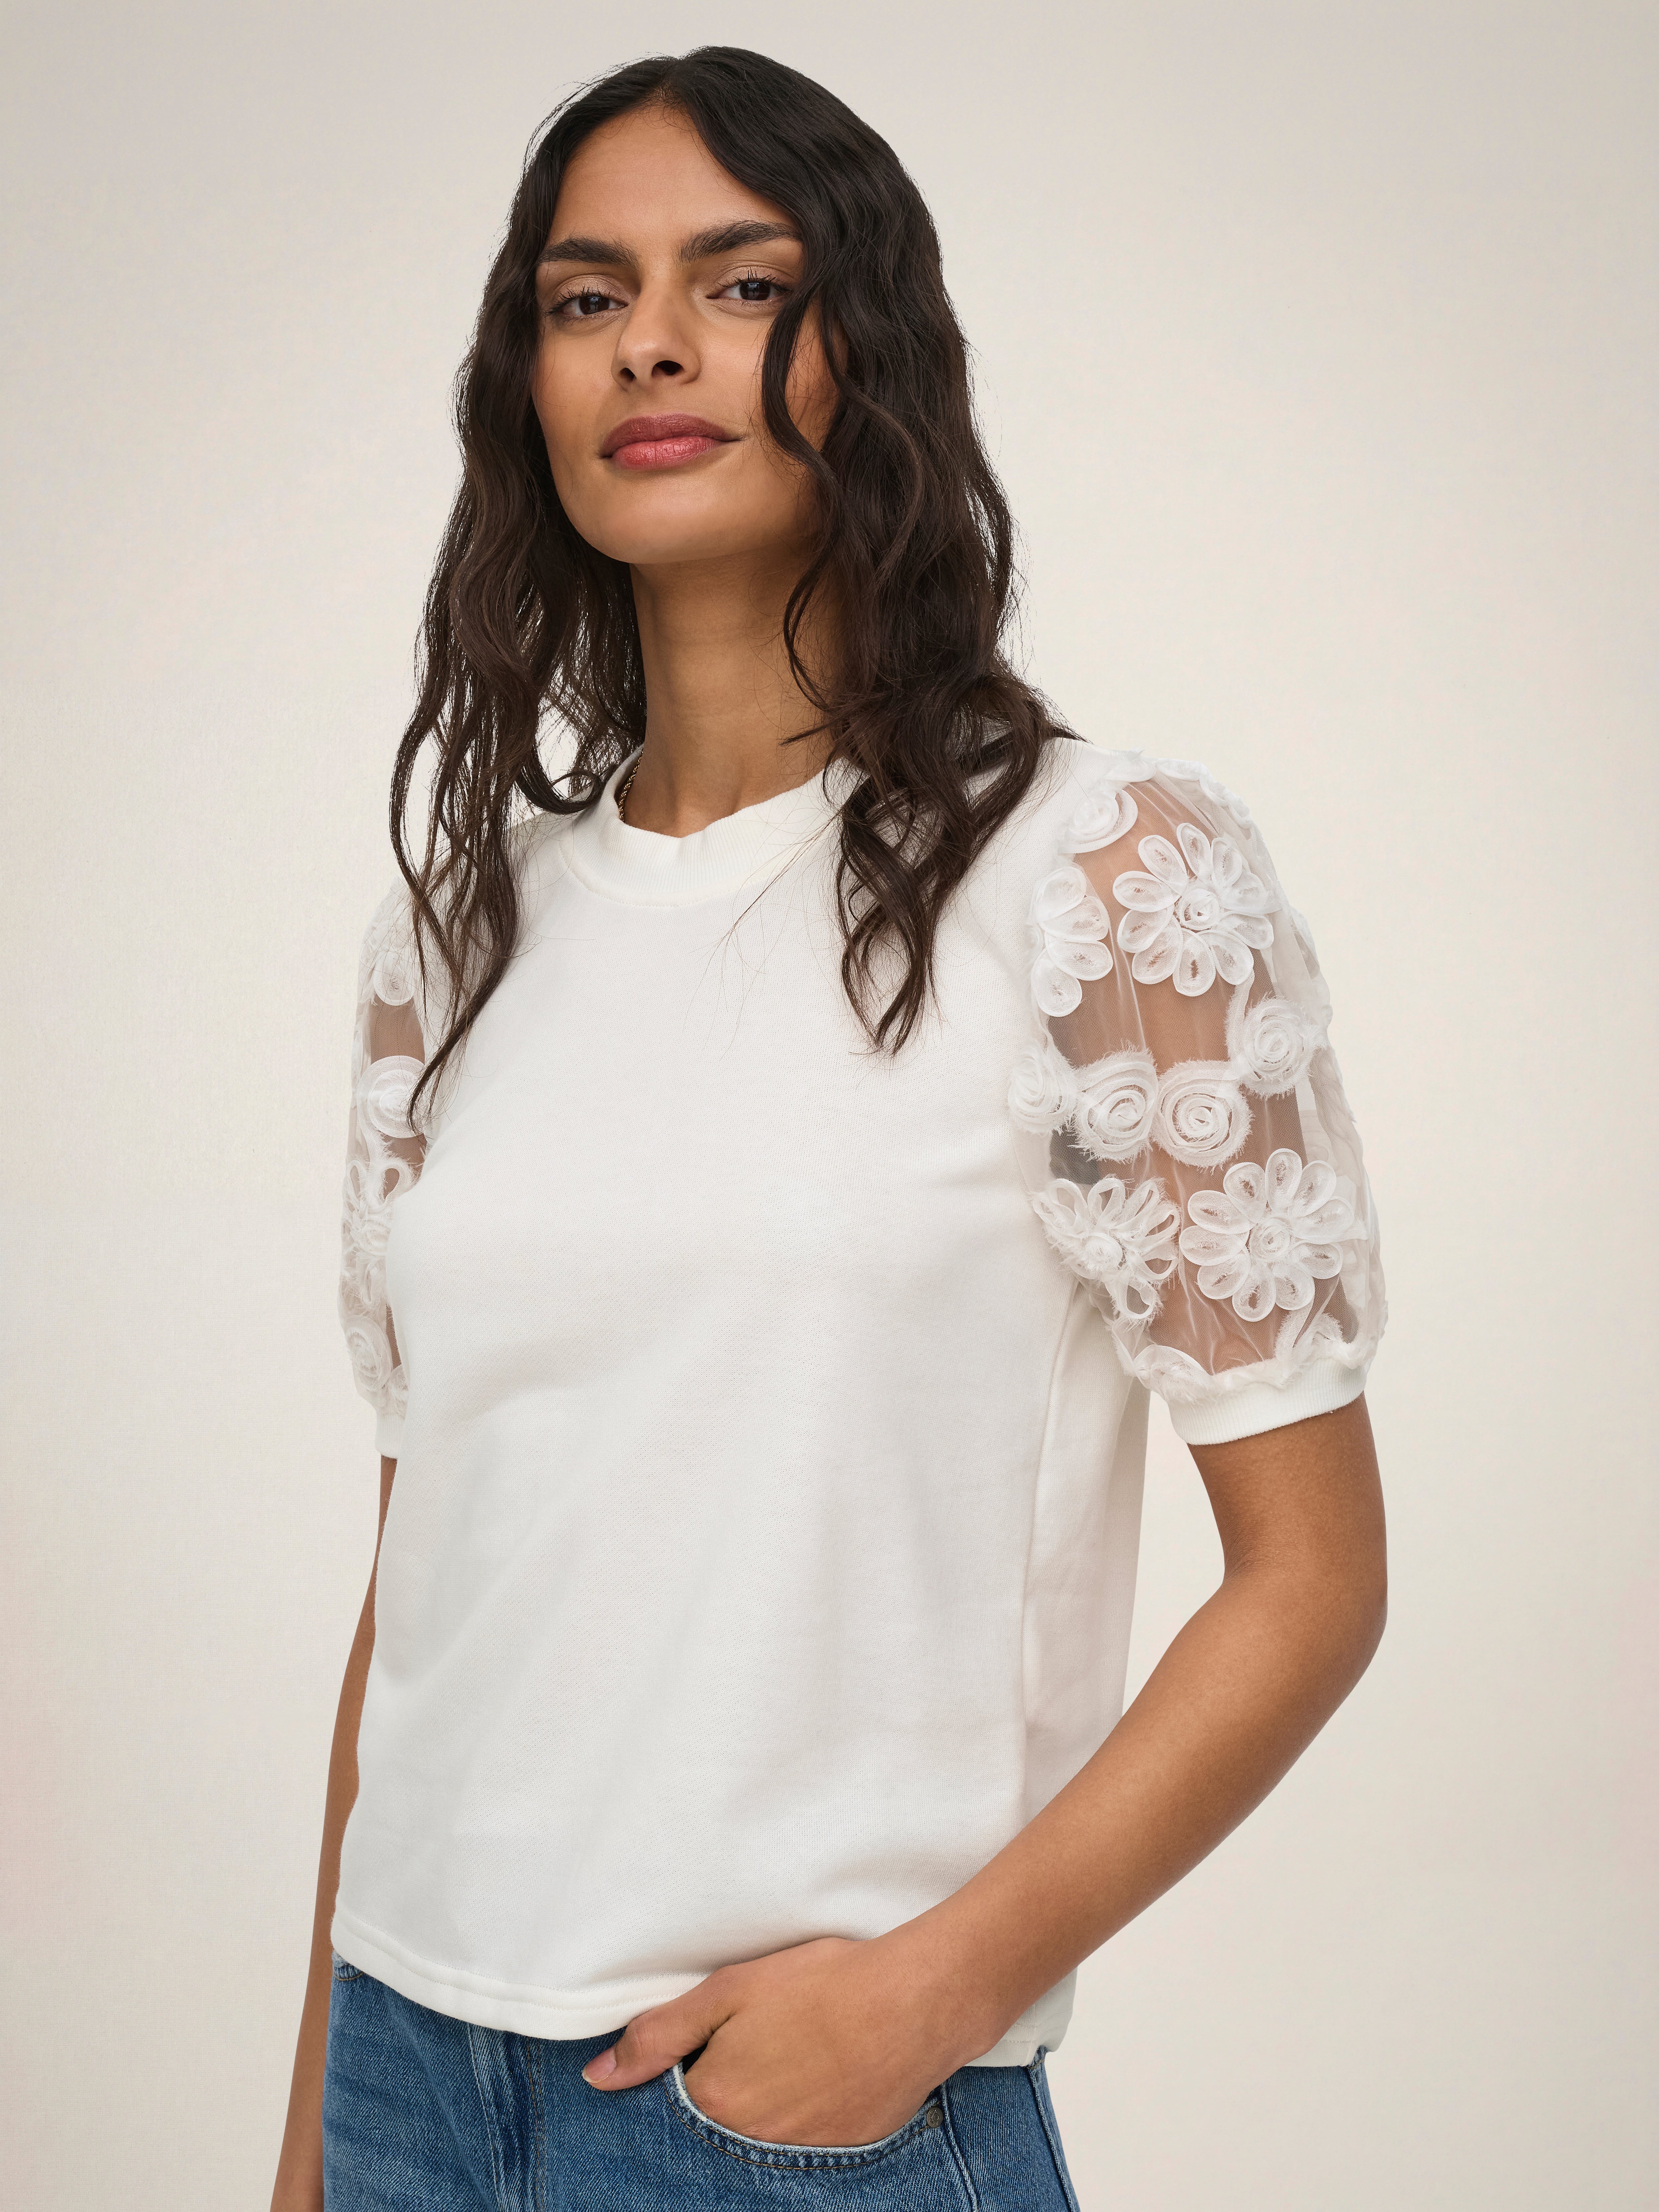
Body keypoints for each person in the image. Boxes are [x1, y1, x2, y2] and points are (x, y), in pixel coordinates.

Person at [270, 45, 1388, 2212]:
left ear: (868, 346)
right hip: (406, 2069)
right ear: (527, 381)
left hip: (783, 2123)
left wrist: (931, 1998)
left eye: (743, 282)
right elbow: (419, 1587)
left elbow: (1315, 1579)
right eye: (586, 298)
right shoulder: (463, 933)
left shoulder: (1099, 875)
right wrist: (315, 2145)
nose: (652, 344)